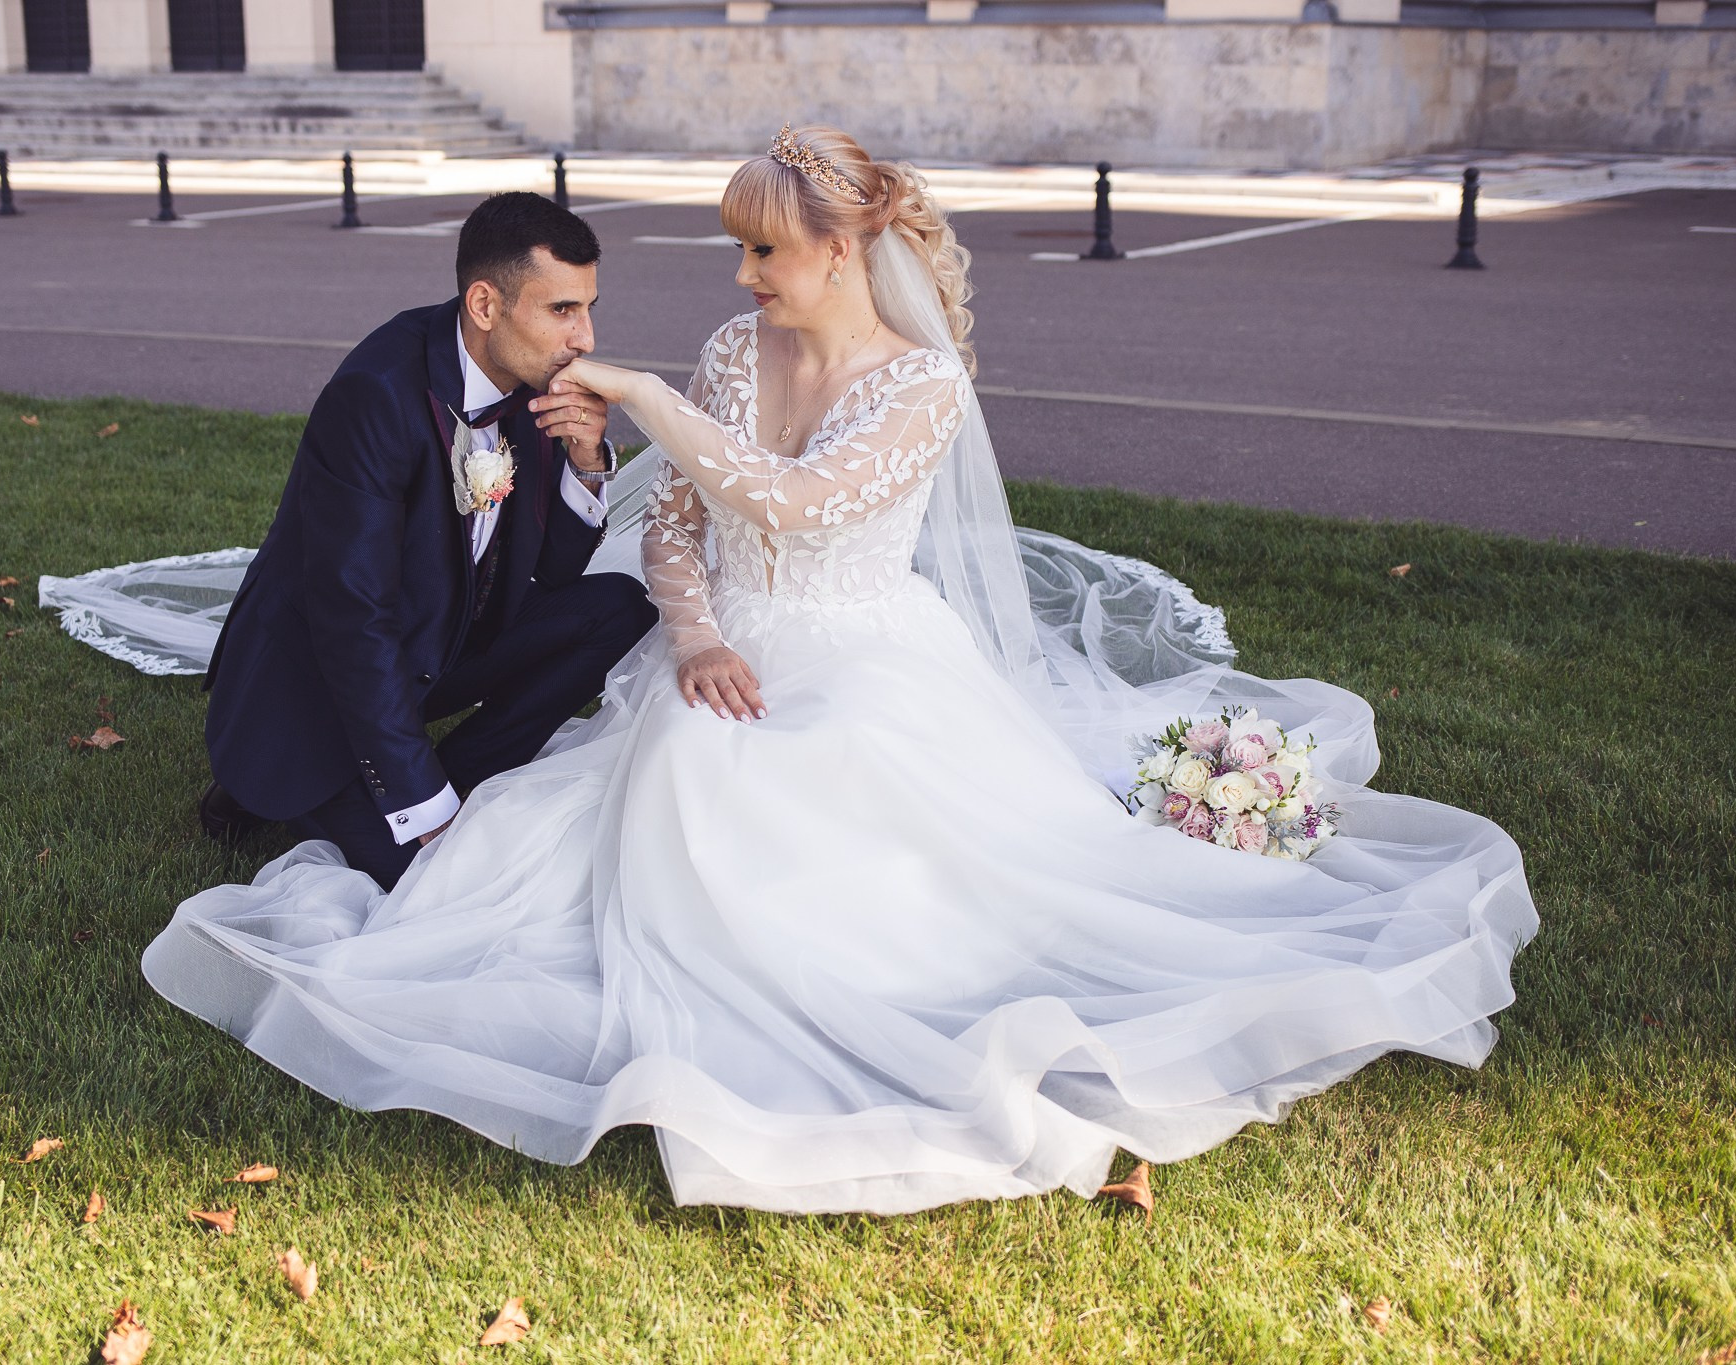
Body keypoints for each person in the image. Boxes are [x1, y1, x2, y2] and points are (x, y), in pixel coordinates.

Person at [136, 126, 1536, 1215]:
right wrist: (696, 635)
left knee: (827, 824)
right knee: (658, 761)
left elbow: (799, 507)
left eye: (763, 252)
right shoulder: (730, 350)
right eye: (739, 253)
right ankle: (416, 784)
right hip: (723, 647)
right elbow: (678, 529)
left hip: (864, 652)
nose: (743, 278)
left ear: (845, 248)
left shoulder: (923, 385)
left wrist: (648, 403)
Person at [194, 192, 657, 891]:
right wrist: (423, 806)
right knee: (431, 884)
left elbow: (557, 574)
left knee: (618, 608)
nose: (585, 338)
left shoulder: (529, 379)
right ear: (485, 304)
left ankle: (461, 776)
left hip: (439, 639)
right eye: (563, 309)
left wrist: (586, 460)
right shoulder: (375, 396)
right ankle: (285, 784)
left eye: (588, 307)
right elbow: (353, 619)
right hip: (323, 685)